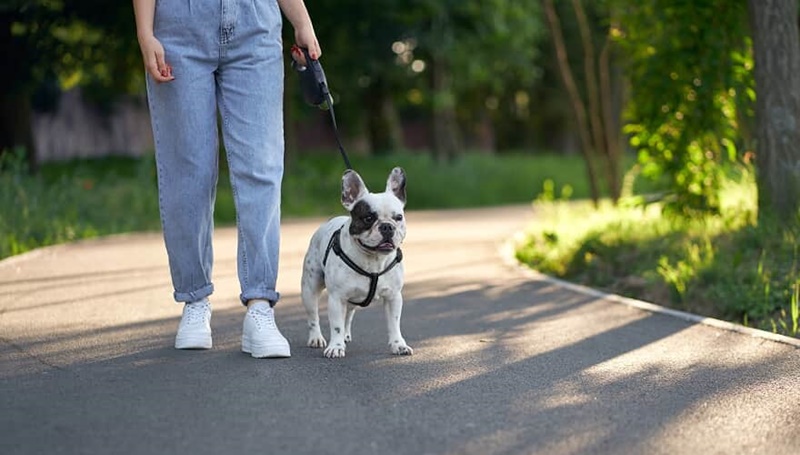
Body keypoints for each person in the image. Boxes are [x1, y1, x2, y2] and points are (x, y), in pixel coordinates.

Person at [132, 0, 321, 358]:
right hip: (179, 26)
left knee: (261, 166)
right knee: (187, 170)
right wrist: (145, 33)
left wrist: (301, 20)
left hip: (255, 23)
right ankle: (195, 300)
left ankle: (260, 305)